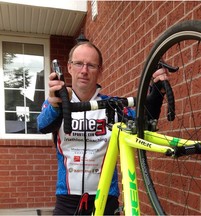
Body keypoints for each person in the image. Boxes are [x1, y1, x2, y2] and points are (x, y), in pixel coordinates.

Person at [37, 41, 168, 215]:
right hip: (67, 199)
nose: (84, 70)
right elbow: (42, 126)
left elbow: (145, 121)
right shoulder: (57, 101)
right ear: (69, 67)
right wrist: (55, 105)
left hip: (106, 197)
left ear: (100, 71)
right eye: (78, 64)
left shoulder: (112, 106)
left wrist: (157, 90)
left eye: (91, 65)